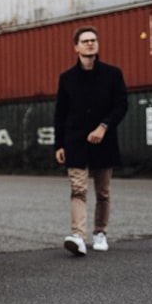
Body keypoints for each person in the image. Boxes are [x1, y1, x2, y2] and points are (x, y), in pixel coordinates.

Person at [54, 25, 128, 256]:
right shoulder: (66, 78)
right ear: (76, 47)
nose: (90, 43)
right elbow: (60, 112)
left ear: (97, 45)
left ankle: (100, 232)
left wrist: (104, 126)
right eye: (85, 40)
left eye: (93, 40)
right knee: (78, 189)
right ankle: (77, 236)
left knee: (103, 192)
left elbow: (121, 105)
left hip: (103, 139)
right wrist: (59, 144)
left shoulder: (112, 74)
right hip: (75, 140)